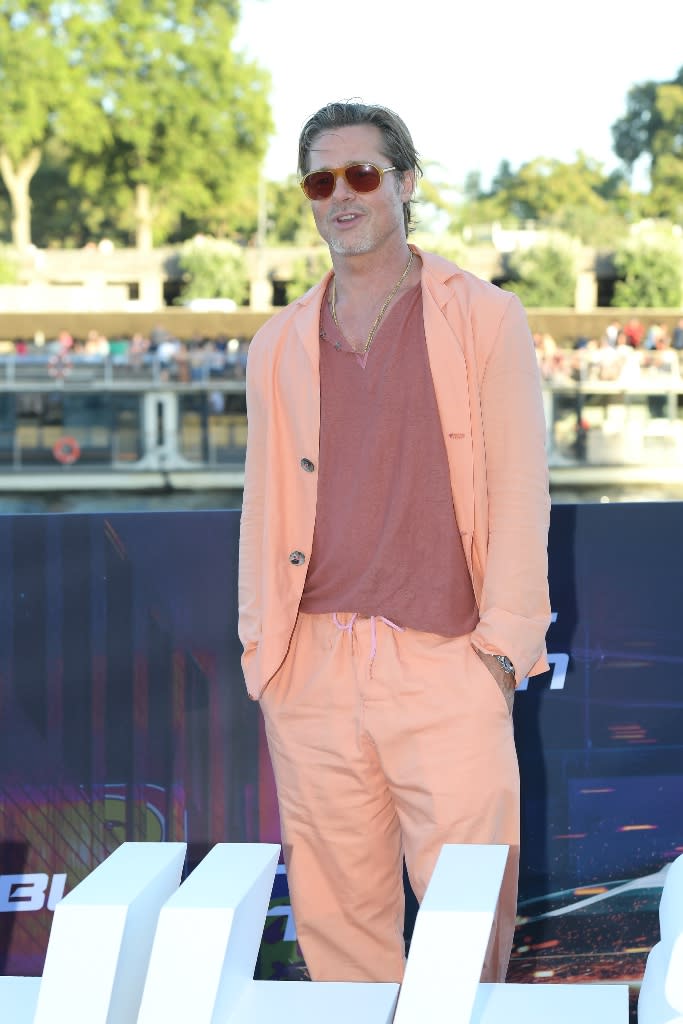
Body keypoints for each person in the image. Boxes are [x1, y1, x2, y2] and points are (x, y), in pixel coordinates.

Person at [238, 101, 551, 986]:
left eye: (363, 174)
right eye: (320, 179)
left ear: (406, 183)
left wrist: (500, 649)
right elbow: (263, 506)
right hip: (311, 670)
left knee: (466, 925)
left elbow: (522, 488)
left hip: (448, 660)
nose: (342, 195)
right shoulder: (277, 342)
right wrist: (267, 653)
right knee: (338, 931)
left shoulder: (484, 317)